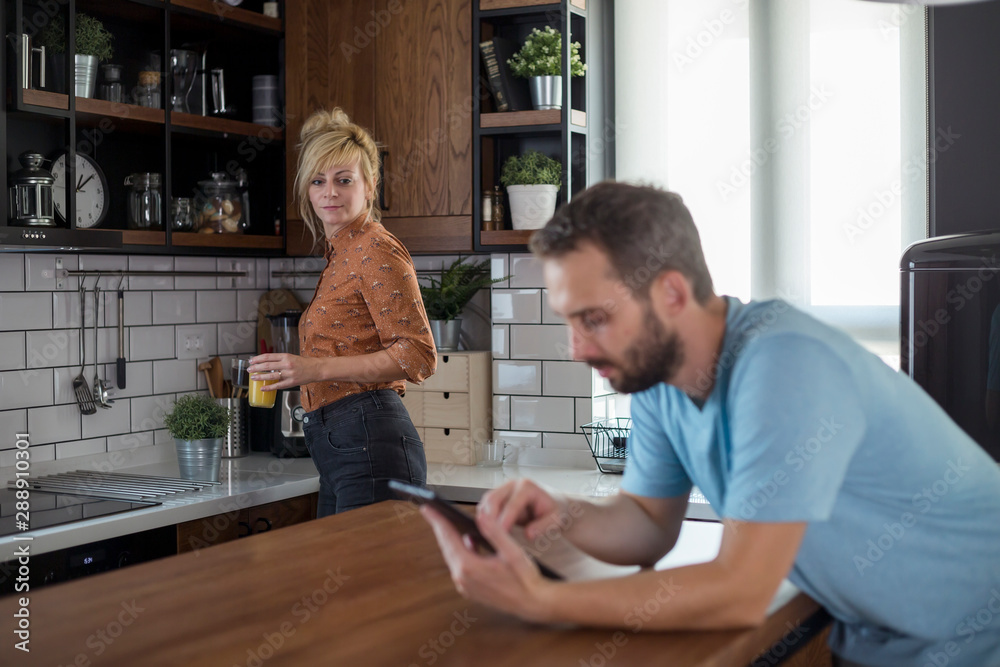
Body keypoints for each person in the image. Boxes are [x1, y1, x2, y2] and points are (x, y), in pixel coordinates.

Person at [420, 182, 1000, 667]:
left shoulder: (783, 362)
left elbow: (740, 590)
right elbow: (648, 526)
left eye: (594, 319)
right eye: (570, 322)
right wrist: (561, 514)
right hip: (883, 644)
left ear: (671, 292)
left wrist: (542, 602)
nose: (576, 349)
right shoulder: (656, 377)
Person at [249, 108, 436, 517]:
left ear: (369, 187)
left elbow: (418, 355)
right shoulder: (342, 253)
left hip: (370, 441)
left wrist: (312, 370)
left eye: (344, 180)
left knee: (361, 580)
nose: (329, 192)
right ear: (308, 191)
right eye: (318, 181)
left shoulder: (375, 248)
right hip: (341, 447)